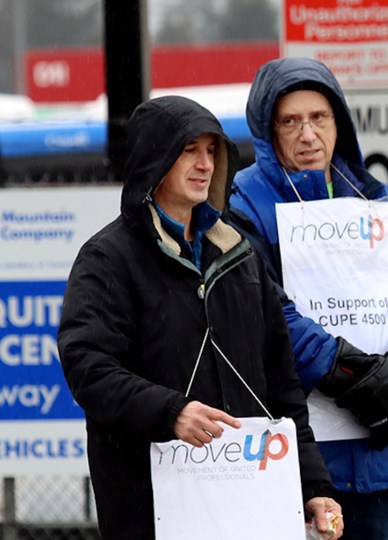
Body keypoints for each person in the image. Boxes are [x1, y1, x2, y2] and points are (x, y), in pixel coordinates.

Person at [57, 95, 344, 540]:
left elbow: (283, 387)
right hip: (149, 506)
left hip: (249, 503)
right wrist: (171, 413)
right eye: (189, 149)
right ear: (155, 158)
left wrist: (312, 485)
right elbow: (89, 369)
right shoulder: (107, 258)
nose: (205, 164)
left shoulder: (240, 254)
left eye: (212, 151)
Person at [229, 57, 388, 539]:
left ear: (340, 123)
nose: (308, 134)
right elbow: (268, 314)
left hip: (379, 452)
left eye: (319, 118)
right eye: (290, 121)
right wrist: (355, 373)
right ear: (267, 131)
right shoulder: (243, 208)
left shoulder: (382, 203)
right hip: (293, 458)